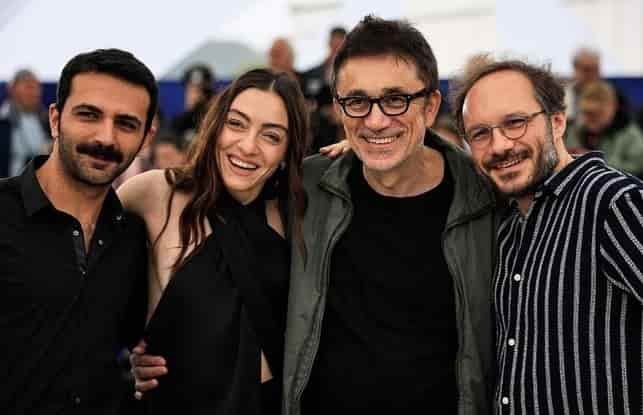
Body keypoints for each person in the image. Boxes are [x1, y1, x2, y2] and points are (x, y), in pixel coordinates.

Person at [132, 16, 497, 414]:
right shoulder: (310, 187)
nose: (375, 119)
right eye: (357, 101)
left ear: (430, 107)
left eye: (395, 99)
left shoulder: (487, 198)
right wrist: (134, 355)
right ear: (339, 108)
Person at [451, 58, 643, 414]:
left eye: (515, 123)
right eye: (480, 133)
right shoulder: (508, 224)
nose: (499, 146)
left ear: (557, 121)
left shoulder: (610, 201)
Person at [118, 68, 309, 414]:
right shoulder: (153, 194)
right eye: (236, 124)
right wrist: (125, 357)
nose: (248, 146)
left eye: (271, 136)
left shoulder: (297, 215)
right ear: (215, 124)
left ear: (287, 150)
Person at [0, 48, 157, 414]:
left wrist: (143, 361)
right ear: (55, 119)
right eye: (89, 115)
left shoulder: (133, 236)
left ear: (146, 137)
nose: (105, 137)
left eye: (126, 124)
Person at [566, 80, 643, 177]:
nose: (592, 119)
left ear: (613, 108)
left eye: (598, 114)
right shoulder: (574, 130)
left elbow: (638, 167)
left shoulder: (630, 134)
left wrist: (594, 161)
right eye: (587, 113)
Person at [0, 69, 50, 177]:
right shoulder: (3, 120)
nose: (35, 92)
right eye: (29, 87)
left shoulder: (48, 121)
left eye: (37, 87)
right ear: (12, 89)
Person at [171, 64, 216, 142]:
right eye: (190, 90)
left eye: (199, 91)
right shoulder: (179, 123)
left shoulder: (217, 120)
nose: (194, 96)